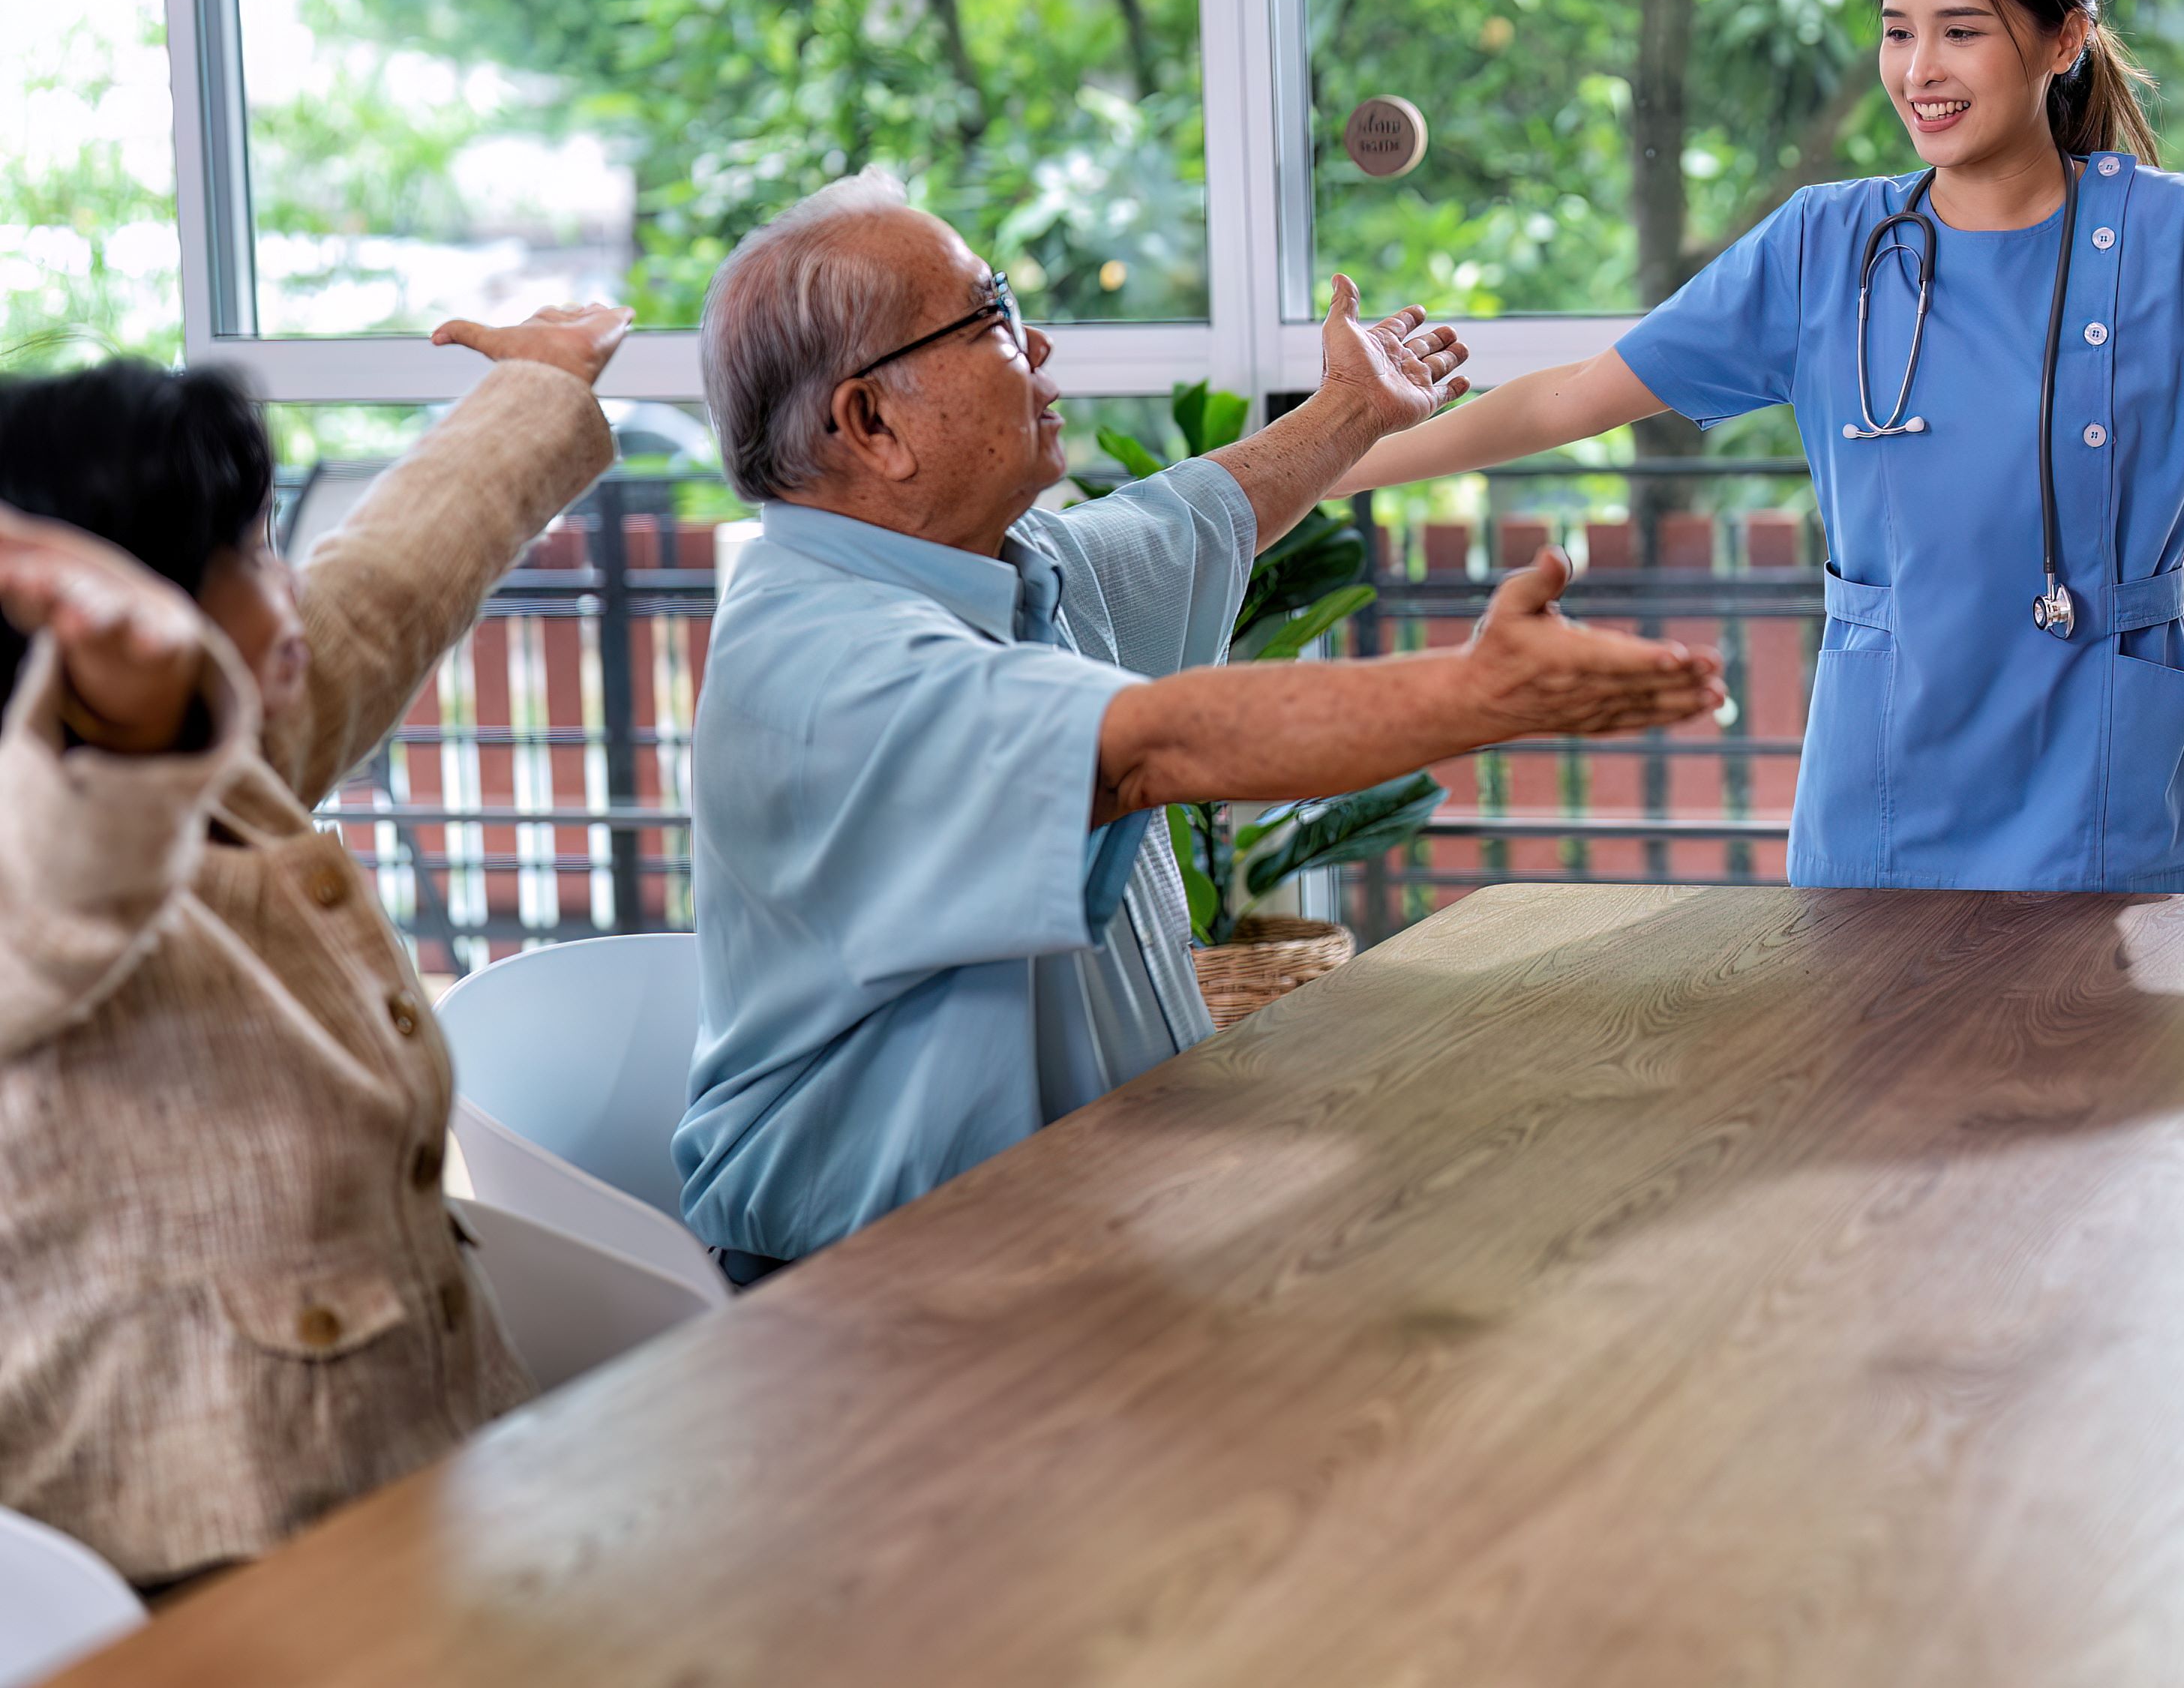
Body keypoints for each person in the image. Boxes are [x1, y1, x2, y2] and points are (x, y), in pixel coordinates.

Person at [1330, 0, 2184, 893]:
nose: (1920, 71)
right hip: (1882, 799)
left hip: (2104, 796)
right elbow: (1576, 394)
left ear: (2063, 38)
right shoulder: (1824, 245)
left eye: (1962, 31)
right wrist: (1329, 469)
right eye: (1897, 32)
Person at [679, 173, 1726, 1275]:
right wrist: (1483, 695)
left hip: (1101, 1218)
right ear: (872, 421)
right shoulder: (825, 660)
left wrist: (1348, 415)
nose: (1034, 344)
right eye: (988, 317)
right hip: (876, 1296)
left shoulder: (1010, 568)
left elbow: (1191, 516)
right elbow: (1149, 747)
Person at [0, 306, 634, 1587]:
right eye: (232, 557)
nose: (279, 585)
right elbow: (49, 896)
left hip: (428, 1506)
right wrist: (131, 724)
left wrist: (532, 388)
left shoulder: (232, 758)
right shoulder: (47, 849)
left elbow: (388, 587)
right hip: (184, 1588)